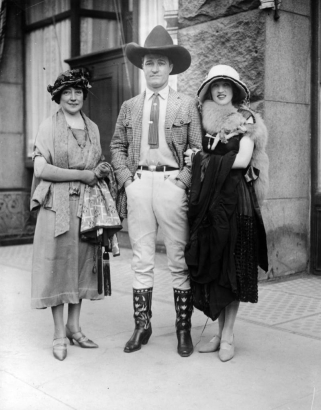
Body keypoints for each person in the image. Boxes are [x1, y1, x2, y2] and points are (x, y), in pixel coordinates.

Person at [110, 25, 202, 357]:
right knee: (142, 259)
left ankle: (183, 330)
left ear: (170, 67)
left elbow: (197, 149)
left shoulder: (186, 104)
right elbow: (117, 146)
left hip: (171, 183)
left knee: (177, 259)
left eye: (160, 62)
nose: (154, 68)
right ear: (142, 66)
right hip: (139, 184)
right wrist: (127, 181)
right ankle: (142, 326)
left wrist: (182, 181)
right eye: (149, 62)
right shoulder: (130, 106)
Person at [31, 69, 121, 361]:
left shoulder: (92, 127)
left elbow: (96, 163)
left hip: (86, 208)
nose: (73, 97)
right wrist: (84, 175)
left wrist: (101, 170)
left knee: (82, 264)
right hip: (56, 207)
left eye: (78, 92)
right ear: (58, 96)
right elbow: (41, 169)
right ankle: (59, 333)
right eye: (67, 92)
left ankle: (74, 326)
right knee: (57, 265)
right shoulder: (48, 126)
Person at [184, 65, 269, 362]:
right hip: (211, 201)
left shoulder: (246, 120)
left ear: (234, 91)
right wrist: (201, 157)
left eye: (226, 85)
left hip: (235, 200)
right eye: (216, 85)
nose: (220, 90)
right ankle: (219, 333)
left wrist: (202, 159)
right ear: (209, 90)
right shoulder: (205, 121)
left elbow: (241, 160)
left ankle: (229, 335)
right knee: (217, 265)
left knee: (232, 264)